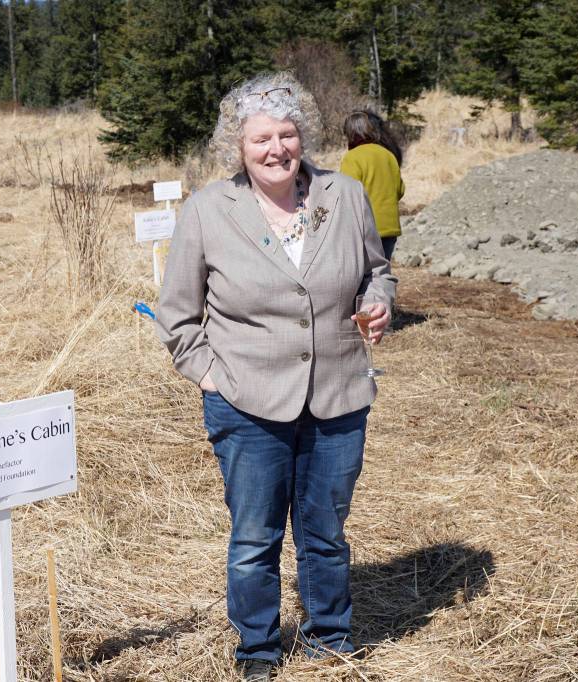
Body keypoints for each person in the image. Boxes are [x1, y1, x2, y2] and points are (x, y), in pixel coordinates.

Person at [155, 72, 396, 681]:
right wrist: (210, 375)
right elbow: (177, 315)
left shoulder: (342, 196)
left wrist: (379, 301)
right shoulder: (210, 210)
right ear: (237, 145)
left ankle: (329, 640)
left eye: (288, 134)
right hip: (246, 403)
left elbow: (376, 269)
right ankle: (258, 650)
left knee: (325, 530)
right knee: (255, 537)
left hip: (338, 395)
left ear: (303, 136)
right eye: (262, 137)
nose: (277, 149)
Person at [340, 110, 406, 261]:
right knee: (383, 275)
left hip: (366, 230)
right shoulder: (388, 155)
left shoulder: (352, 157)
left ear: (349, 133)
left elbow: (346, 193)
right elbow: (400, 190)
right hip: (390, 229)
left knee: (365, 279)